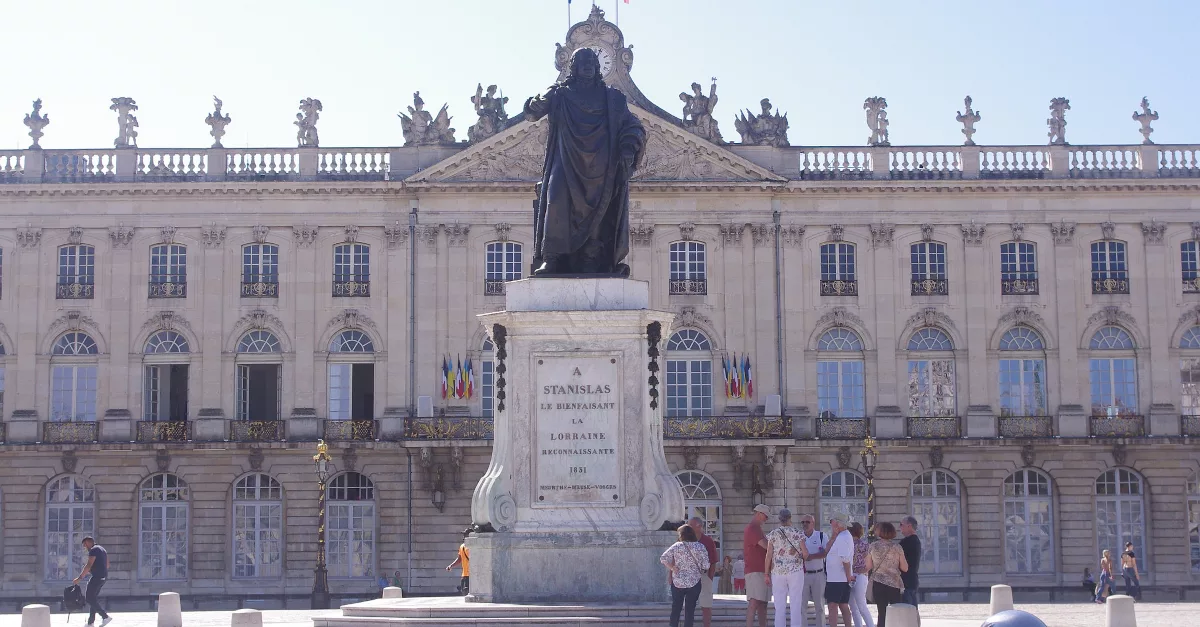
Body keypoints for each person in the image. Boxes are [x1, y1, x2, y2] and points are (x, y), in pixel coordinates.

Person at [523, 47, 647, 276]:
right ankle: (552, 257)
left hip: (601, 164)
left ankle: (591, 258)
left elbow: (633, 125)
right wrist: (542, 98)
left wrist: (629, 146)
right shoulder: (560, 95)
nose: (588, 64)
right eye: (582, 61)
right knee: (555, 196)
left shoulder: (612, 98)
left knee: (600, 208)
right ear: (574, 67)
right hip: (566, 158)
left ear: (598, 66)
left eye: (591, 60)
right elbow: (531, 113)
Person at [765, 508, 808, 627]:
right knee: (796, 603)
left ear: (779, 519)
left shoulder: (773, 534)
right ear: (790, 518)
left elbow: (768, 555)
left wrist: (766, 574)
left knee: (779, 606)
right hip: (795, 571)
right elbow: (805, 553)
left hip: (777, 572)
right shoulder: (798, 532)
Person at [661, 524, 711, 627]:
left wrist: (672, 567)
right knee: (690, 611)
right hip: (694, 582)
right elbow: (706, 565)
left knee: (676, 609)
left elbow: (663, 558)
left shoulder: (677, 546)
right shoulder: (700, 546)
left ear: (681, 535)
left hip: (678, 582)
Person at [865, 523, 908, 627]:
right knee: (895, 612)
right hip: (894, 583)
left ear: (879, 532)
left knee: (881, 612)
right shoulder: (897, 547)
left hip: (878, 583)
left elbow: (868, 566)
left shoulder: (873, 546)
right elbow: (905, 568)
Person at [743, 504, 772, 627]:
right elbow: (766, 546)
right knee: (755, 601)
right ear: (759, 514)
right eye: (766, 516)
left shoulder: (757, 528)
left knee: (762, 604)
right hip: (755, 570)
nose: (767, 519)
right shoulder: (753, 528)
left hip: (761, 570)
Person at [798, 514, 828, 627]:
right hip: (803, 575)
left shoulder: (821, 536)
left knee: (819, 605)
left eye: (807, 522)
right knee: (802, 606)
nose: (805, 524)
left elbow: (825, 553)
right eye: (803, 522)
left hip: (818, 573)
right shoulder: (798, 536)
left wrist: (810, 557)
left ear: (813, 523)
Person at [824, 515, 855, 627]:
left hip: (837, 579)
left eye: (832, 521)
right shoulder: (841, 536)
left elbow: (845, 559)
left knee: (833, 606)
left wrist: (848, 577)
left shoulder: (842, 537)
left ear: (838, 524)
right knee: (843, 605)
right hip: (836, 577)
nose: (831, 524)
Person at [73, 536, 111, 627]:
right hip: (103, 577)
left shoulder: (93, 550)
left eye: (85, 545)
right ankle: (90, 622)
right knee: (92, 598)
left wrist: (80, 578)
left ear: (89, 542)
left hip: (97, 577)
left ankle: (105, 616)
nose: (85, 547)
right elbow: (107, 564)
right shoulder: (102, 549)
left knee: (89, 598)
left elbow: (89, 564)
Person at [689, 517, 720, 627]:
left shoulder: (708, 541)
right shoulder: (684, 540)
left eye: (691, 525)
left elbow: (713, 561)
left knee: (706, 606)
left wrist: (709, 578)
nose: (689, 527)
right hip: (688, 577)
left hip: (704, 576)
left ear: (699, 526)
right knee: (688, 606)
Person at [847, 522, 875, 627]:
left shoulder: (859, 544)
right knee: (856, 605)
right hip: (859, 575)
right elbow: (869, 564)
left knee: (858, 605)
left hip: (854, 575)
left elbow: (869, 563)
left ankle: (869, 625)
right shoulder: (864, 544)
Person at [898, 516, 922, 607]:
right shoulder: (915, 540)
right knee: (912, 611)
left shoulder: (907, 542)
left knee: (907, 611)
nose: (900, 527)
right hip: (911, 581)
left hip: (906, 582)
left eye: (901, 525)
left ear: (909, 526)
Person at [445, 528, 470, 595]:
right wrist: (451, 565)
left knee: (467, 593)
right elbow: (459, 559)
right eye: (464, 535)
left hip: (471, 575)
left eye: (465, 535)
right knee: (465, 593)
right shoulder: (462, 546)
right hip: (465, 574)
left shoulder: (472, 547)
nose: (464, 536)